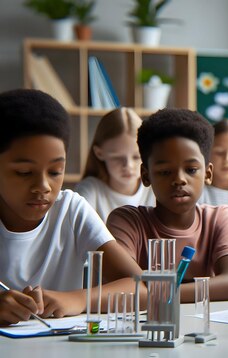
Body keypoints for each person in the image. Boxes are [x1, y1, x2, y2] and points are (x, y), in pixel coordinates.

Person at [0, 89, 143, 326]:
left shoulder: (70, 210)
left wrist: (79, 299)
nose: (43, 186)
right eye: (24, 173)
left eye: (56, 171)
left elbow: (142, 286)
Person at [107, 109, 228, 302]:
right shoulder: (127, 221)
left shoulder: (218, 218)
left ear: (207, 173)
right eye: (165, 172)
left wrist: (156, 293)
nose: (179, 179)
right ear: (146, 176)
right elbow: (121, 290)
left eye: (191, 169)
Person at [75, 107, 155, 221]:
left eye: (137, 157)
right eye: (117, 157)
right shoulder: (90, 191)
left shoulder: (156, 190)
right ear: (99, 153)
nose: (128, 165)